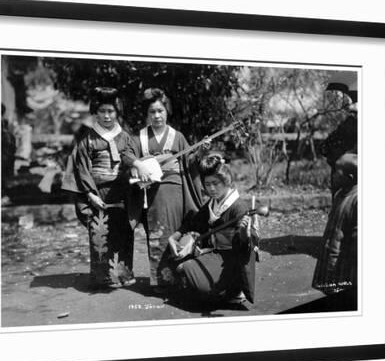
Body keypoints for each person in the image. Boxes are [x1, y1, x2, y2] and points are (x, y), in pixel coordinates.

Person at [127, 88, 208, 293]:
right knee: (158, 234)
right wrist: (139, 164)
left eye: (160, 111)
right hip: (153, 191)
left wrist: (201, 151)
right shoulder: (140, 137)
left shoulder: (177, 136)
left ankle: (182, 278)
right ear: (147, 114)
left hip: (177, 190)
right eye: (152, 112)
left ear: (167, 111)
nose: (157, 116)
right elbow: (127, 154)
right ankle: (161, 282)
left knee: (178, 231)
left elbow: (190, 161)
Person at [167, 155, 256, 305]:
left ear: (226, 181)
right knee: (180, 268)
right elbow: (193, 223)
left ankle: (232, 290)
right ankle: (220, 291)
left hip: (231, 262)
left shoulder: (238, 207)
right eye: (207, 184)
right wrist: (173, 238)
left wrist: (244, 234)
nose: (211, 188)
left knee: (187, 272)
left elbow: (247, 246)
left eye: (216, 183)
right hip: (215, 255)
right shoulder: (213, 203)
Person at [72, 87, 137, 289]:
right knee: (100, 231)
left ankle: (123, 274)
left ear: (117, 112)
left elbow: (132, 161)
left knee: (123, 231)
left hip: (122, 192)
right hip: (98, 191)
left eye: (111, 111)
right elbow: (81, 168)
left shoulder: (125, 137)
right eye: (102, 111)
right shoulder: (88, 139)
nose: (107, 116)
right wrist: (89, 194)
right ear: (96, 112)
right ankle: (102, 277)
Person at [312, 153, 358, 300]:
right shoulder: (339, 195)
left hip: (345, 268)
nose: (332, 175)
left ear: (350, 177)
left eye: (337, 172)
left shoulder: (358, 200)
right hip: (329, 261)